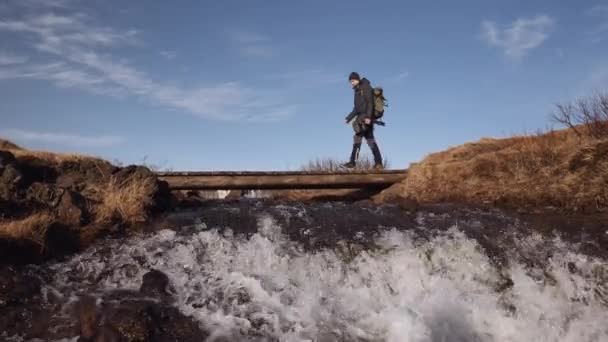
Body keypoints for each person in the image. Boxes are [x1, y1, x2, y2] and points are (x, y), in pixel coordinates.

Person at [343, 72, 383, 169]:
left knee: (358, 137)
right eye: (350, 81)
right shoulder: (357, 91)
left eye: (352, 81)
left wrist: (368, 117)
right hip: (361, 117)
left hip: (365, 118)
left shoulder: (366, 87)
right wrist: (348, 118)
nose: (351, 83)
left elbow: (370, 103)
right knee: (370, 139)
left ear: (357, 79)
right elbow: (356, 108)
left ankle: (353, 162)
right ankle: (378, 163)